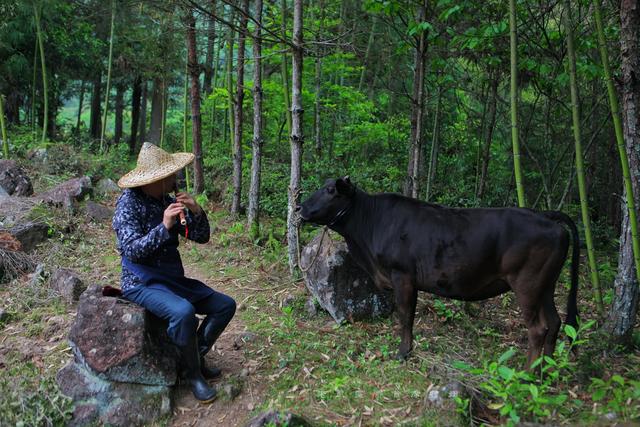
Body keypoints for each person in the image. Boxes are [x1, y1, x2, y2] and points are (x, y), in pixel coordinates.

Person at [112, 142, 236, 403]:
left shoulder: (165, 200)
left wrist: (196, 210)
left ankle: (194, 357)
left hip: (171, 279)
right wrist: (164, 226)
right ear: (155, 179)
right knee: (183, 312)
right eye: (171, 175)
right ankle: (193, 376)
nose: (175, 179)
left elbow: (200, 237)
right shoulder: (127, 205)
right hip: (140, 282)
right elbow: (131, 250)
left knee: (225, 305)